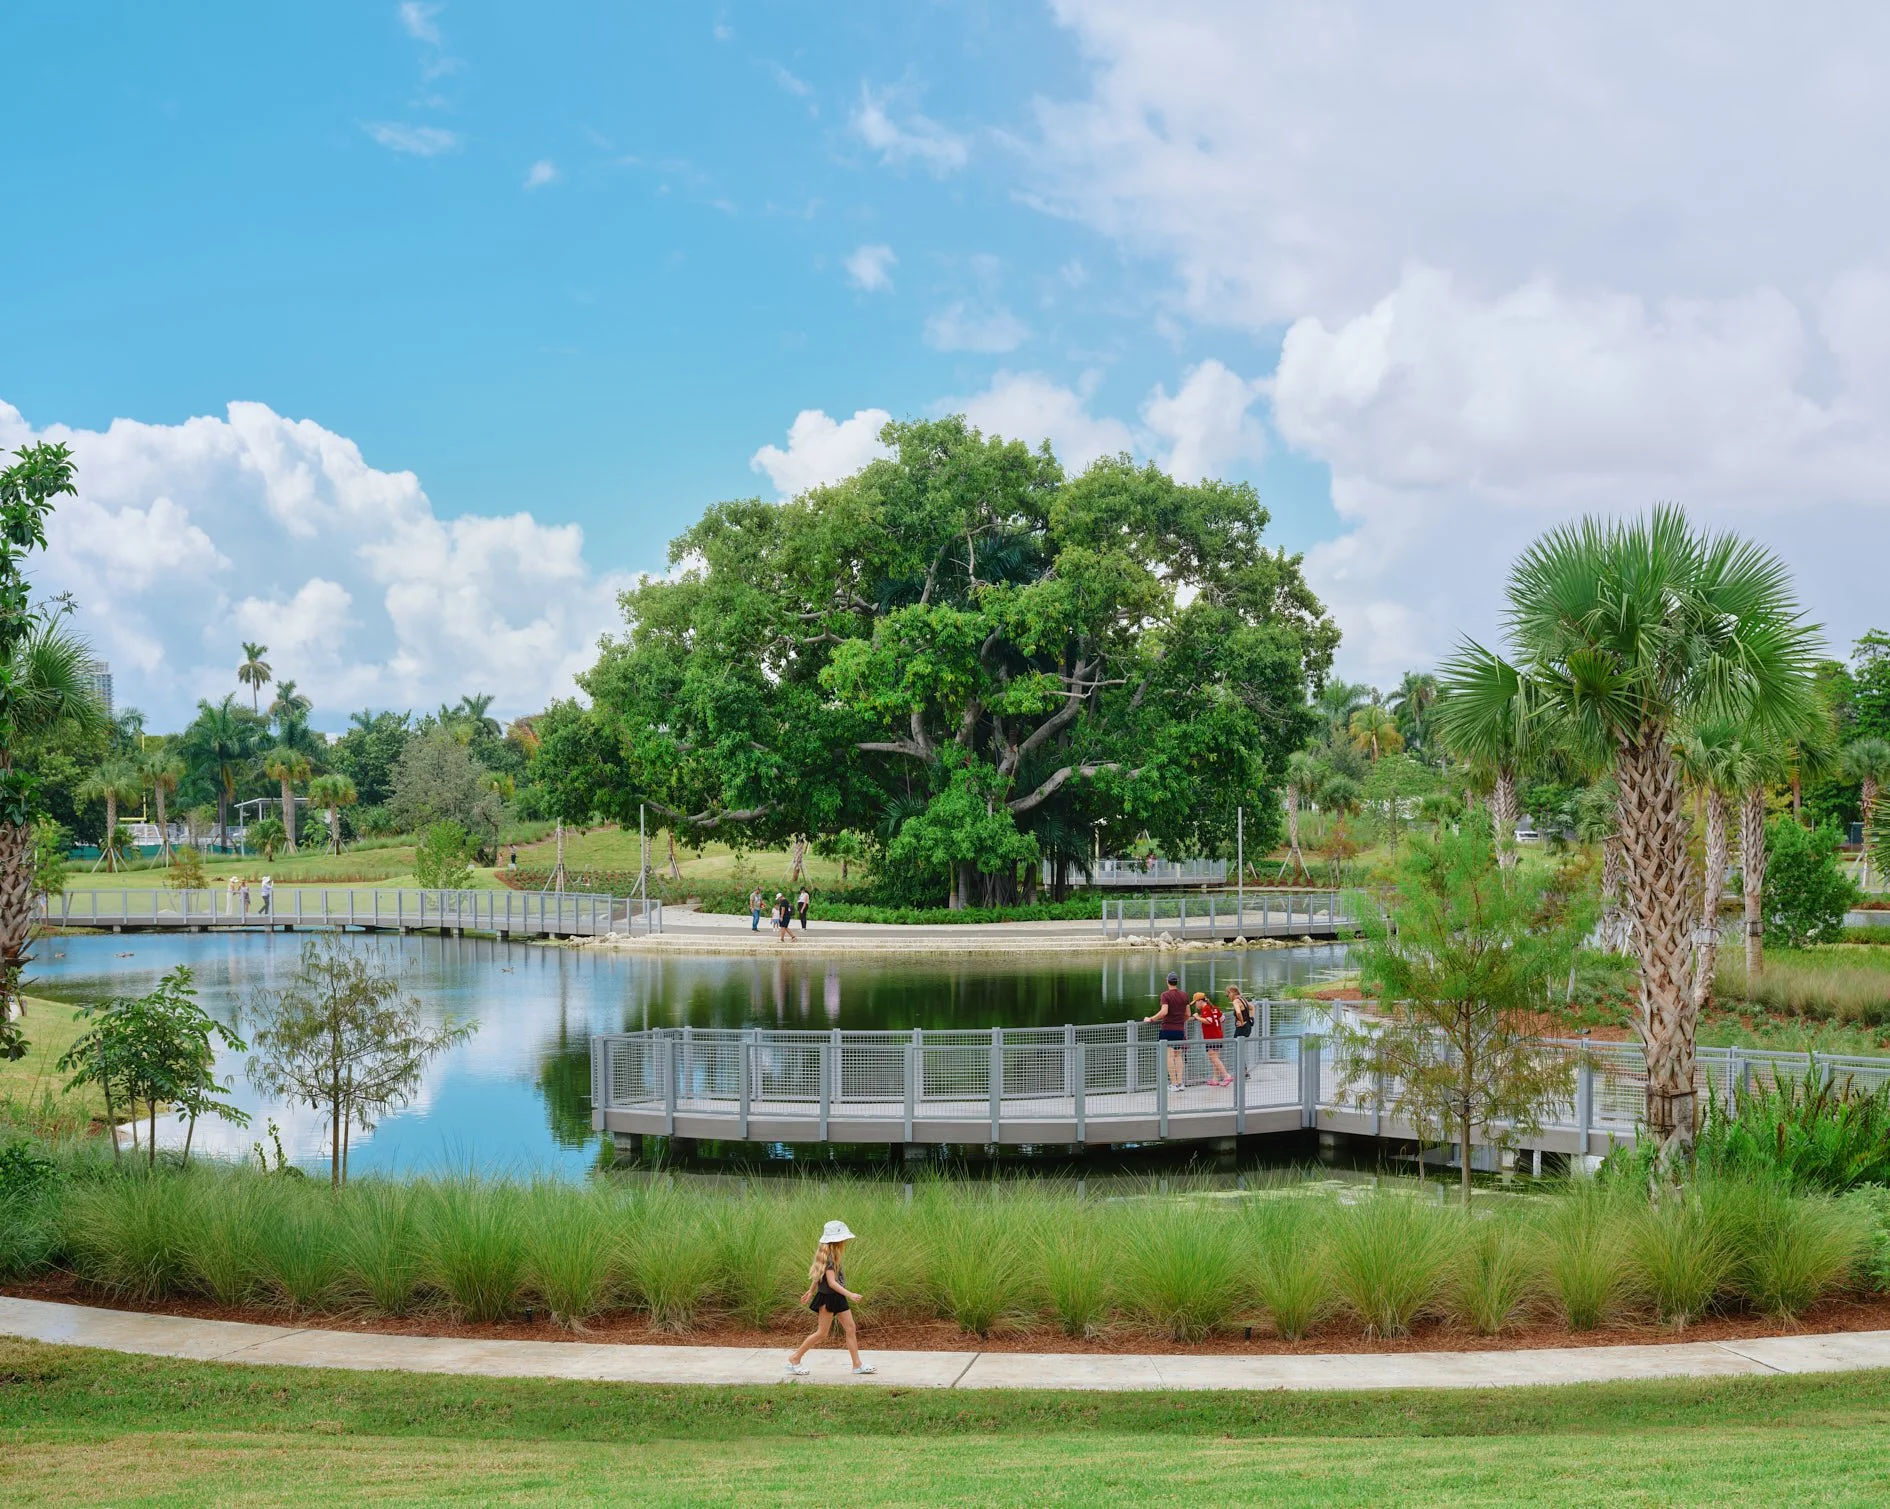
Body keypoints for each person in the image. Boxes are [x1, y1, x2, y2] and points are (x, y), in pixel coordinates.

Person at [786, 1219, 873, 1376]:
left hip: (837, 1298)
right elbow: (832, 1283)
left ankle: (857, 1365)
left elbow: (818, 1276)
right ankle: (795, 1358)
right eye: (843, 1239)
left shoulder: (831, 1255)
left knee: (850, 1328)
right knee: (822, 1333)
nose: (845, 1241)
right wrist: (851, 1295)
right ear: (837, 1241)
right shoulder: (830, 1260)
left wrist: (810, 1291)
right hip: (829, 1298)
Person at [1143, 971, 1190, 1089]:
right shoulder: (1184, 995)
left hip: (1167, 1029)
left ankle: (1173, 1084)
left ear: (1167, 981)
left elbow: (1164, 1012)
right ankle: (1180, 1083)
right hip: (1180, 1030)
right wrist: (1180, 1021)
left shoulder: (1165, 995)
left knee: (1169, 1056)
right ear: (1177, 981)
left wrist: (1151, 1019)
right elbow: (1188, 1014)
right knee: (1178, 1055)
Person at [1192, 991, 1230, 1086]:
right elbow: (1223, 1019)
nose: (1195, 1005)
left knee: (1213, 1058)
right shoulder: (1214, 1008)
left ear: (1200, 1001)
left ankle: (1226, 1076)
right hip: (1218, 1035)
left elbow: (1208, 1021)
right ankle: (1215, 1079)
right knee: (1215, 1058)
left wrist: (1197, 1017)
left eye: (1196, 1002)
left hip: (1211, 1037)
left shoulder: (1206, 1009)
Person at [1227, 986, 1256, 1078]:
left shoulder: (1236, 1001)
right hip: (1248, 1027)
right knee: (1239, 1048)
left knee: (1237, 1048)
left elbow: (1238, 1012)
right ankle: (1244, 1071)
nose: (1228, 996)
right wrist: (1251, 1018)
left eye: (1228, 994)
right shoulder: (1243, 999)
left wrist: (1242, 1021)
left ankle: (1243, 1072)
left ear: (1232, 992)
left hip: (1241, 1028)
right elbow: (1252, 1008)